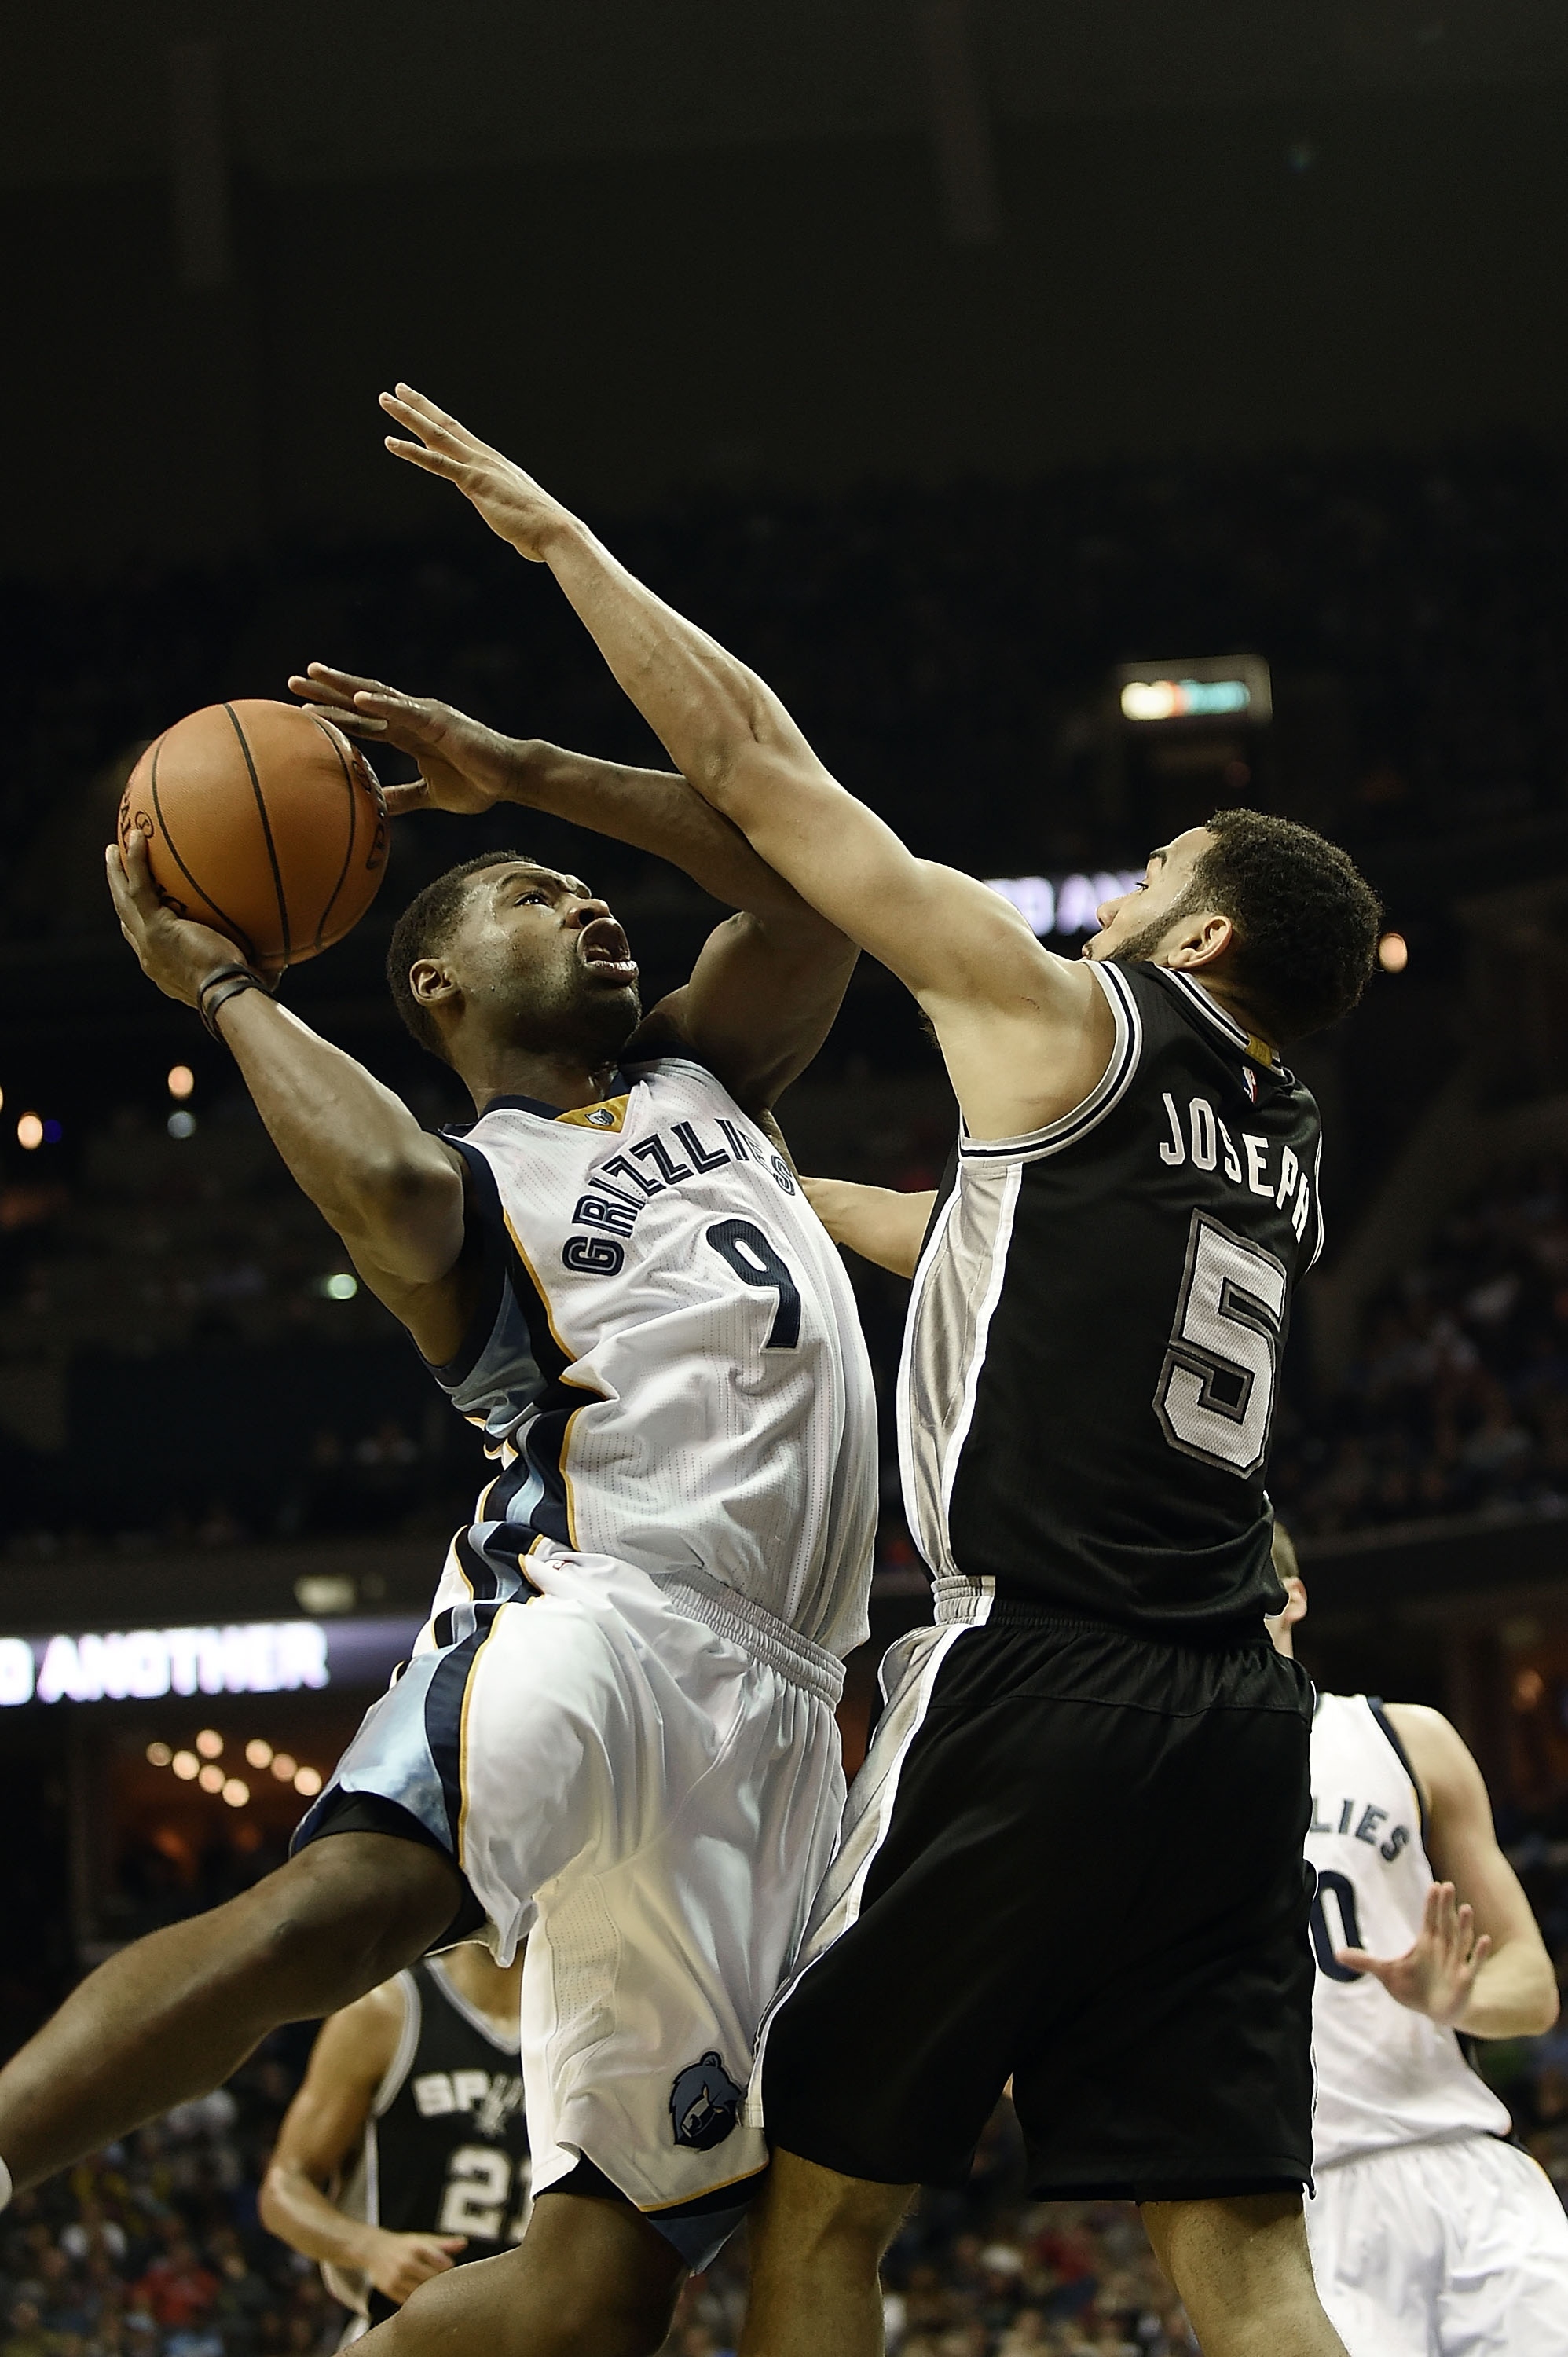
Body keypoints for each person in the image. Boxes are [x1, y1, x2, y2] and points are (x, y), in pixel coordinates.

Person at [366, 384, 1386, 2356]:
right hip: (1238, 1720)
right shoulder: (1288, 1155)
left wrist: (559, 551)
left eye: (1160, 864)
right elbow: (1007, 1255)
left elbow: (755, 772)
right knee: (1247, 2255)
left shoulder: (1067, 1009)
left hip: (1035, 1678)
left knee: (818, 2217)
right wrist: (763, 1181)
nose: (1129, 883)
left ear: (1211, 925)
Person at [0, 706, 878, 2357]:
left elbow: (811, 893)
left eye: (578, 886)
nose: (587, 902)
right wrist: (222, 984)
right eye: (534, 892)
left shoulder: (714, 1067)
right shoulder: (465, 1186)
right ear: (434, 987)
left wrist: (531, 774)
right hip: (598, 1615)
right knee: (340, 1916)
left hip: (777, 1722)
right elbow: (388, 1196)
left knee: (598, 2292)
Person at [1266, 1541, 1568, 2354]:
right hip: (1299, 2204)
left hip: (1462, 2158)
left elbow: (1532, 1988)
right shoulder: (1151, 1786)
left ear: (1291, 1596)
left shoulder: (1405, 1737)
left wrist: (1457, 1999)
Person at [261, 1945, 529, 2341]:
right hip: (400, 2333)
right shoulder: (387, 2010)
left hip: (534, 2337)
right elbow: (284, 2186)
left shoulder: (593, 2025)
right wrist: (370, 2247)